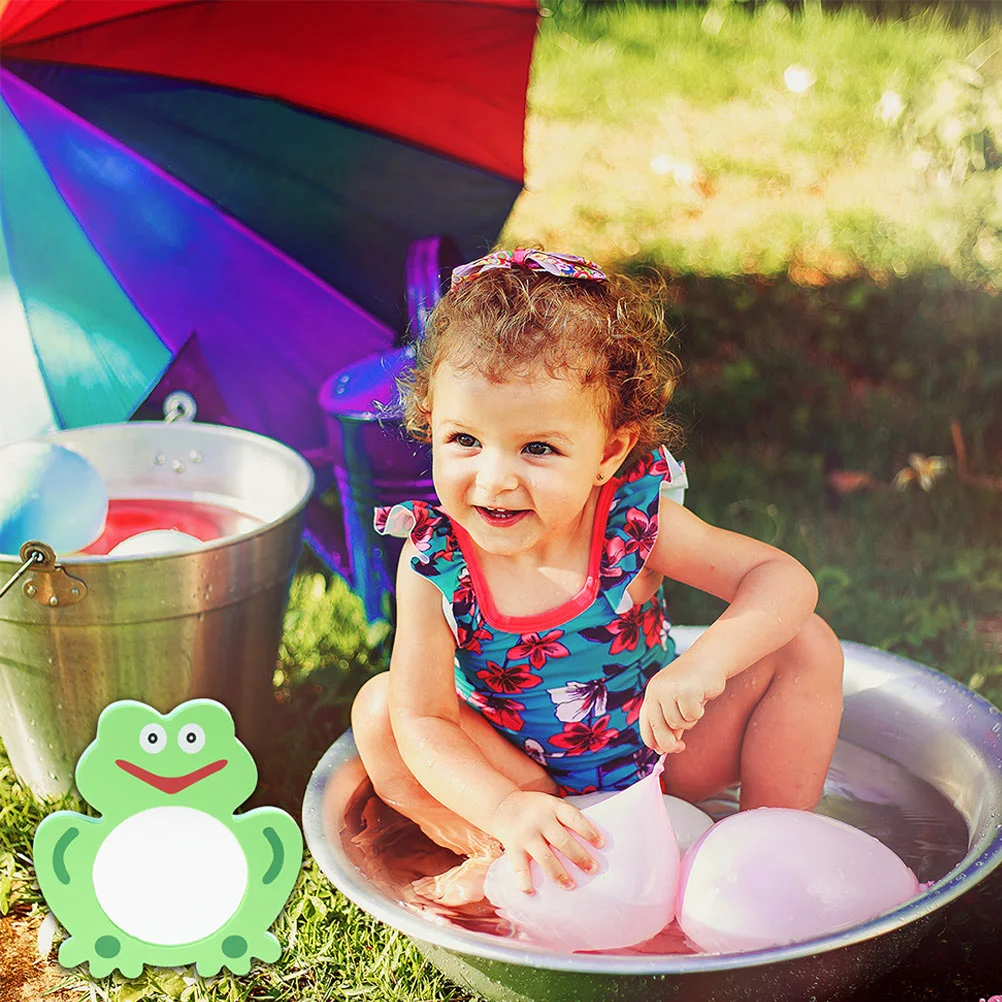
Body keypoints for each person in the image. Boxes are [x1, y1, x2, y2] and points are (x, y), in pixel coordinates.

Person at [351, 249, 844, 905]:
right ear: (431, 424)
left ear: (608, 452)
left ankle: (760, 852)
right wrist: (503, 807)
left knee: (804, 642)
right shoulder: (435, 559)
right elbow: (427, 718)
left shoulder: (631, 522)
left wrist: (707, 666)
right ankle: (497, 851)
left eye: (538, 448)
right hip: (522, 777)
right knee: (382, 710)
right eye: (464, 440)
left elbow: (779, 578)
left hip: (660, 752)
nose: (495, 478)